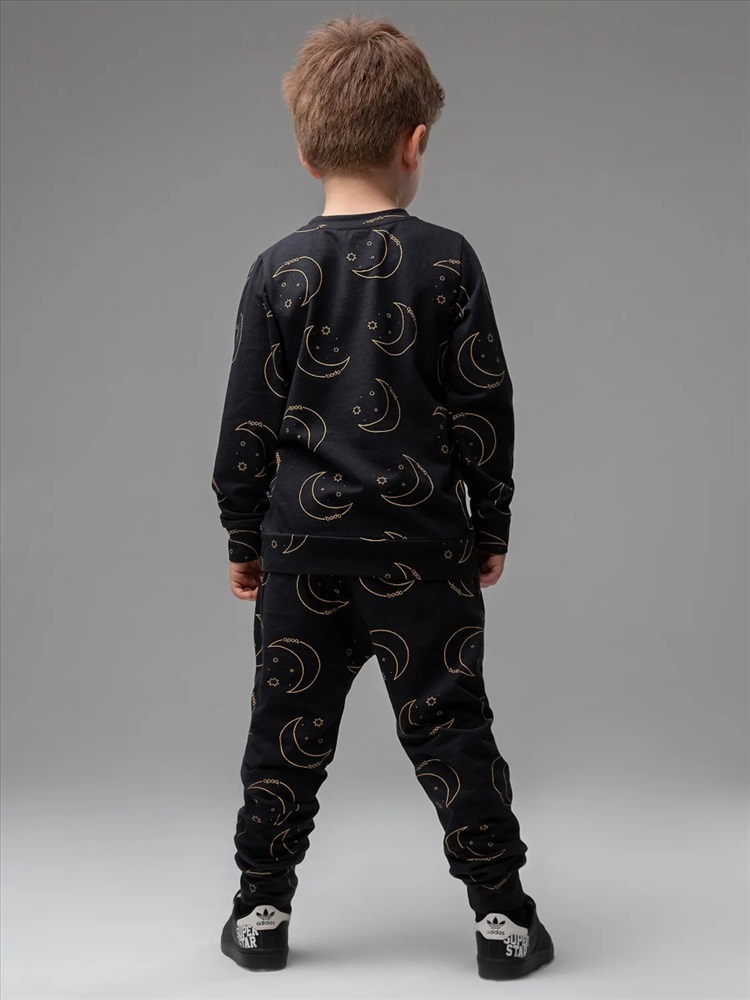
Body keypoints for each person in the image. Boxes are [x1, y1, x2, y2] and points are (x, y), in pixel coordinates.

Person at [210, 13, 554, 980]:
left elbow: (247, 418)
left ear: (304, 146)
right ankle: (503, 923)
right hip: (422, 553)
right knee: (452, 730)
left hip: (302, 554)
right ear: (416, 141)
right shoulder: (448, 259)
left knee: (285, 738)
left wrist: (243, 534)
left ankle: (259, 914)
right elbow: (484, 405)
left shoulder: (277, 268)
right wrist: (491, 521)